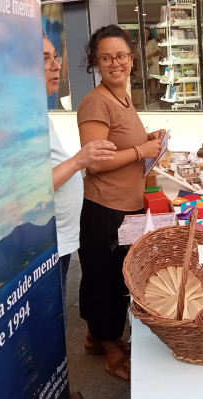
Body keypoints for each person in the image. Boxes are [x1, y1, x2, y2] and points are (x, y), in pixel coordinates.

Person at [76, 24, 165, 382]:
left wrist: (149, 138)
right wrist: (139, 150)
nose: (116, 63)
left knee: (115, 276)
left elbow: (123, 143)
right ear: (95, 62)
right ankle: (111, 350)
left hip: (126, 205)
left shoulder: (123, 98)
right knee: (104, 279)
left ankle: (98, 337)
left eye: (122, 56)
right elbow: (94, 161)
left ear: (132, 59)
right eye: (106, 57)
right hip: (104, 208)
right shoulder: (95, 101)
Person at [44, 34, 116, 399]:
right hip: (47, 242)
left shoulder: (37, 111)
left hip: (61, 237)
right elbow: (31, 185)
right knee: (47, 326)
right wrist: (80, 161)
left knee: (53, 321)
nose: (56, 66)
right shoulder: (92, 103)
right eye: (45, 59)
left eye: (55, 57)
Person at [145, 28, 162, 100]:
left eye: (146, 32)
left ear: (149, 33)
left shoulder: (152, 41)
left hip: (152, 62)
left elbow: (159, 52)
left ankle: (153, 95)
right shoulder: (140, 42)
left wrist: (150, 55)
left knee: (152, 79)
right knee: (146, 79)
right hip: (145, 63)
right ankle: (147, 95)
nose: (145, 34)